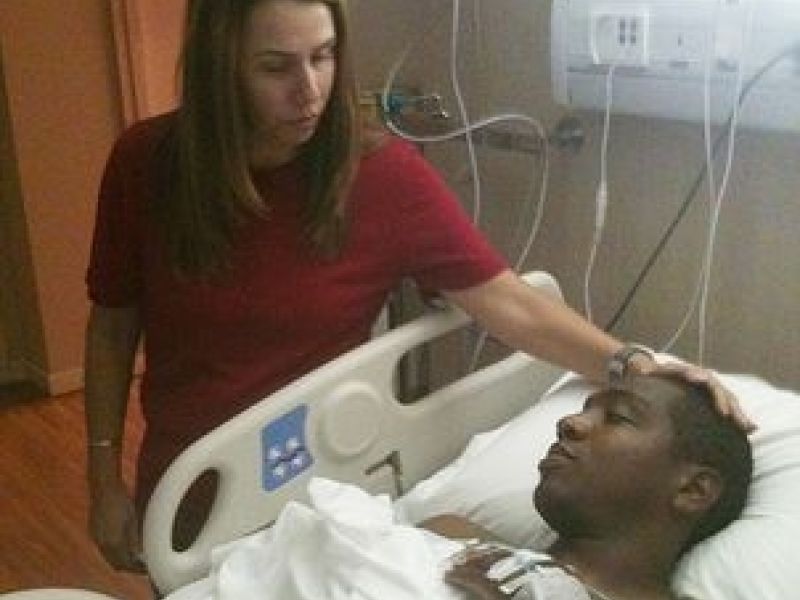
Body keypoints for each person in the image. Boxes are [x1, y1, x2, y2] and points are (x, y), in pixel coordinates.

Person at [83, 0, 752, 574]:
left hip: (322, 492)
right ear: (219, 65)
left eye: (323, 56)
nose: (310, 91)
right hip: (191, 489)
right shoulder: (146, 163)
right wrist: (103, 475)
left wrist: (634, 365)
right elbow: (112, 325)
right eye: (275, 67)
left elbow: (509, 303)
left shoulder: (380, 177)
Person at [425, 373, 753, 600]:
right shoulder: (451, 536)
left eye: (618, 417)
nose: (570, 422)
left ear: (693, 490)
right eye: (584, 409)